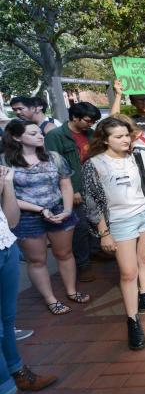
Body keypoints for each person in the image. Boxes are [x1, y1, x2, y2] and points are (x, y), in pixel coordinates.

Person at [83, 117, 145, 349]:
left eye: (127, 135)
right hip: (119, 222)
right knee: (128, 272)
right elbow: (91, 202)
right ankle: (132, 320)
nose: (125, 139)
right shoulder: (94, 164)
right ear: (105, 140)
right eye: (118, 136)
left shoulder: (136, 156)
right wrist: (104, 232)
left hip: (144, 215)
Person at [2, 120, 87, 315]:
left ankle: (71, 291)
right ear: (16, 137)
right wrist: (40, 210)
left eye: (39, 132)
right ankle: (50, 299)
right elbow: (9, 197)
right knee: (37, 260)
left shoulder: (53, 157)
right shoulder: (6, 162)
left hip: (58, 210)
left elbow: (65, 184)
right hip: (26, 216)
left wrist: (66, 210)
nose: (40, 136)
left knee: (65, 254)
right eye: (33, 134)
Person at [0, 164, 59, 394]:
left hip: (5, 246)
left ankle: (16, 372)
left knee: (7, 319)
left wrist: (7, 185)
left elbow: (11, 219)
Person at [44, 102, 101, 283]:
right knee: (80, 227)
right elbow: (55, 166)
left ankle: (95, 252)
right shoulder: (56, 136)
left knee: (96, 220)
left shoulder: (91, 133)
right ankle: (83, 264)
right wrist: (73, 190)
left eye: (93, 121)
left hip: (93, 184)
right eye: (87, 120)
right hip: (72, 188)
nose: (90, 124)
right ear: (75, 117)